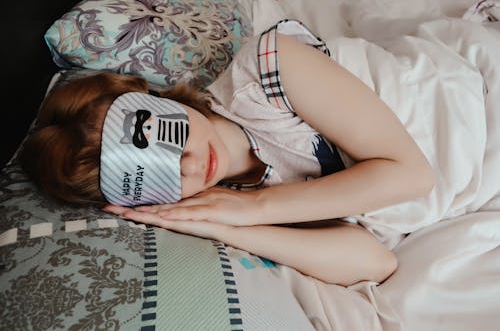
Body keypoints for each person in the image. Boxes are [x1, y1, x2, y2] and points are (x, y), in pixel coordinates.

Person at [19, 20, 434, 286]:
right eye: (160, 176)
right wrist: (227, 229)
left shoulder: (266, 70)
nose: (193, 165)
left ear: (147, 96)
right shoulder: (225, 201)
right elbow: (375, 263)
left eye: (168, 135)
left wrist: (257, 207)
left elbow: (412, 175)